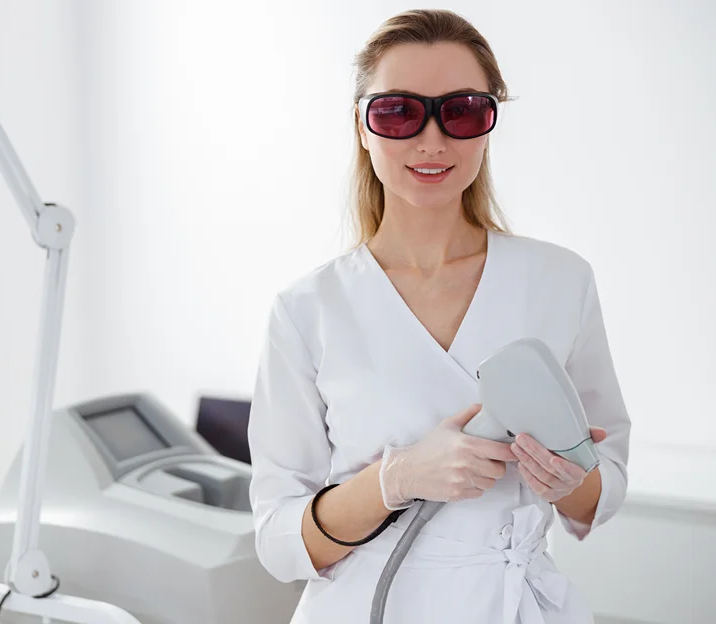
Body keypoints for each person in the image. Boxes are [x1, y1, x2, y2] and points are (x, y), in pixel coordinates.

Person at [247, 8, 631, 624]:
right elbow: (277, 540)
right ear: (362, 126)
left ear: (488, 125)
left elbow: (602, 489)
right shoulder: (307, 309)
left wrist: (567, 481)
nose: (432, 140)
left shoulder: (560, 281)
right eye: (398, 111)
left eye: (462, 111)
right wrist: (392, 481)